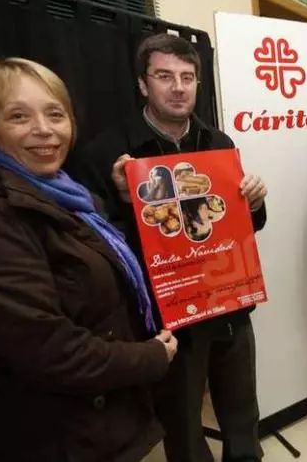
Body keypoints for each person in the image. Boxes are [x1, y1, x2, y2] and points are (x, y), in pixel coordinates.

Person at [0, 58, 178, 462]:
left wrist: (131, 202)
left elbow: (104, 276)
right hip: (58, 437)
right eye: (18, 116)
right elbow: (49, 351)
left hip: (106, 421)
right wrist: (150, 358)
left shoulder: (72, 198)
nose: (44, 130)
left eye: (55, 114)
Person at [73, 33, 268, 462]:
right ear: (143, 84)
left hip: (230, 300)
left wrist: (254, 202)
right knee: (182, 423)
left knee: (242, 412)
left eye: (187, 77)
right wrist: (125, 204)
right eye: (164, 76)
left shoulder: (219, 143)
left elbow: (245, 226)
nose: (178, 87)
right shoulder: (108, 152)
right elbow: (94, 246)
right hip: (168, 315)